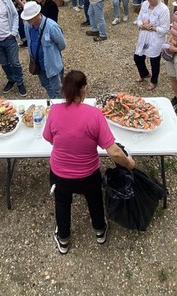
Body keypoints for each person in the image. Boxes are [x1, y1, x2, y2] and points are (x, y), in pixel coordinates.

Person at [42, 71, 135, 254]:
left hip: (60, 174)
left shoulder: (54, 111)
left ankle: (64, 240)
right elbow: (114, 152)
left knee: (62, 203)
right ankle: (100, 231)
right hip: (88, 174)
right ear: (84, 89)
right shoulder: (94, 115)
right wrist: (130, 164)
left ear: (64, 90)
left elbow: (48, 138)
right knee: (94, 200)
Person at [22, 1, 66, 99]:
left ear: (37, 15)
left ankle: (61, 107)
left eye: (29, 19)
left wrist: (53, 54)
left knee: (58, 88)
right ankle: (53, 101)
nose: (28, 21)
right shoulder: (27, 25)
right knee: (46, 84)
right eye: (27, 19)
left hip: (52, 65)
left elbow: (62, 45)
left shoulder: (51, 26)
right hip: (38, 65)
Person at [133, 0, 170, 90]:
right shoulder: (144, 4)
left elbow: (165, 29)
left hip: (155, 38)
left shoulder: (164, 9)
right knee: (138, 57)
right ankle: (144, 74)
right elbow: (139, 19)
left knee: (154, 60)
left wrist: (152, 28)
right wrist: (141, 25)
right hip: (144, 36)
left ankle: (154, 81)